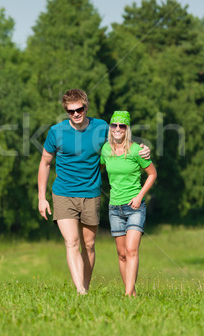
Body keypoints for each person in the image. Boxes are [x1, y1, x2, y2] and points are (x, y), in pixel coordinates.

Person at [37, 89, 150, 294]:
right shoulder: (56, 131)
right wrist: (41, 197)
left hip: (91, 194)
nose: (76, 114)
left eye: (79, 109)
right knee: (71, 242)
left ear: (86, 106)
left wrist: (143, 149)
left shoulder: (101, 128)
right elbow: (45, 163)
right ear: (66, 112)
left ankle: (86, 287)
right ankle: (81, 291)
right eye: (71, 111)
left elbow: (122, 142)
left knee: (88, 245)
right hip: (63, 193)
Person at [100, 111, 157, 297]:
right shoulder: (105, 150)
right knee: (122, 254)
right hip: (114, 208)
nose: (117, 129)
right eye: (114, 125)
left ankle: (127, 295)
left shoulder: (136, 150)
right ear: (110, 128)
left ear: (127, 129)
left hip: (134, 207)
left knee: (132, 250)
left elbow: (152, 174)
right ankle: (131, 293)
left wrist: (140, 196)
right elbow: (95, 167)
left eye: (121, 126)